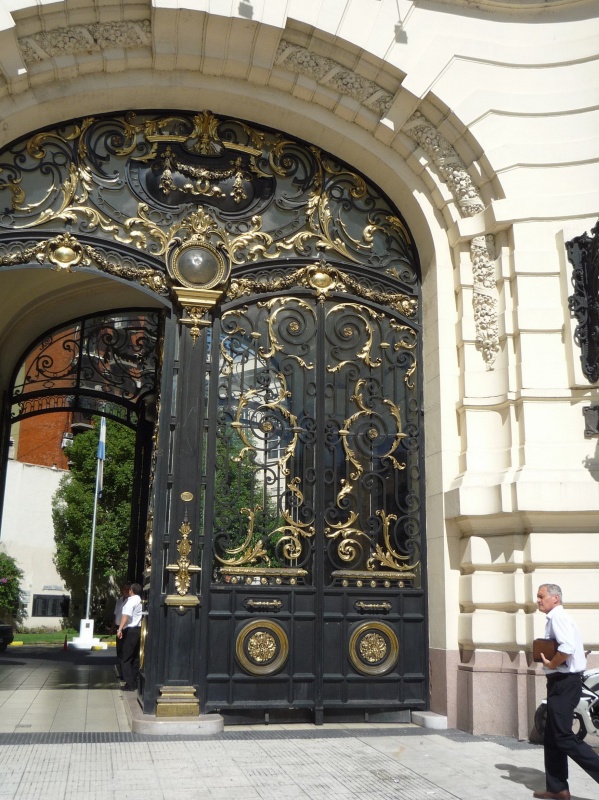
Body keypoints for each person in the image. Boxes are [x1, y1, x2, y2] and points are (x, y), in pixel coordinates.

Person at [534, 583, 599, 800]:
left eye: (541, 596)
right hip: (561, 683)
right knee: (552, 737)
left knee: (563, 737)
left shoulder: (558, 618)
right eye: (538, 596)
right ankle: (558, 789)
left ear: (555, 598)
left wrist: (551, 664)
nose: (538, 600)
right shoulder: (557, 618)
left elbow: (567, 648)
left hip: (564, 683)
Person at [116, 582, 142, 692]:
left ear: (131, 591)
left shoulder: (130, 601)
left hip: (130, 630)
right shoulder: (140, 600)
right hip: (138, 629)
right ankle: (134, 681)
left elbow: (125, 615)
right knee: (135, 657)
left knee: (125, 658)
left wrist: (120, 629)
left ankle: (130, 683)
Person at [112, 582, 130, 680]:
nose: (126, 591)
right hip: (118, 627)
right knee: (119, 651)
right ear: (121, 590)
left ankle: (126, 674)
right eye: (124, 589)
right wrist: (112, 627)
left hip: (126, 628)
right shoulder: (119, 601)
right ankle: (121, 671)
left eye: (128, 589)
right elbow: (115, 614)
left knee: (125, 651)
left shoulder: (130, 601)